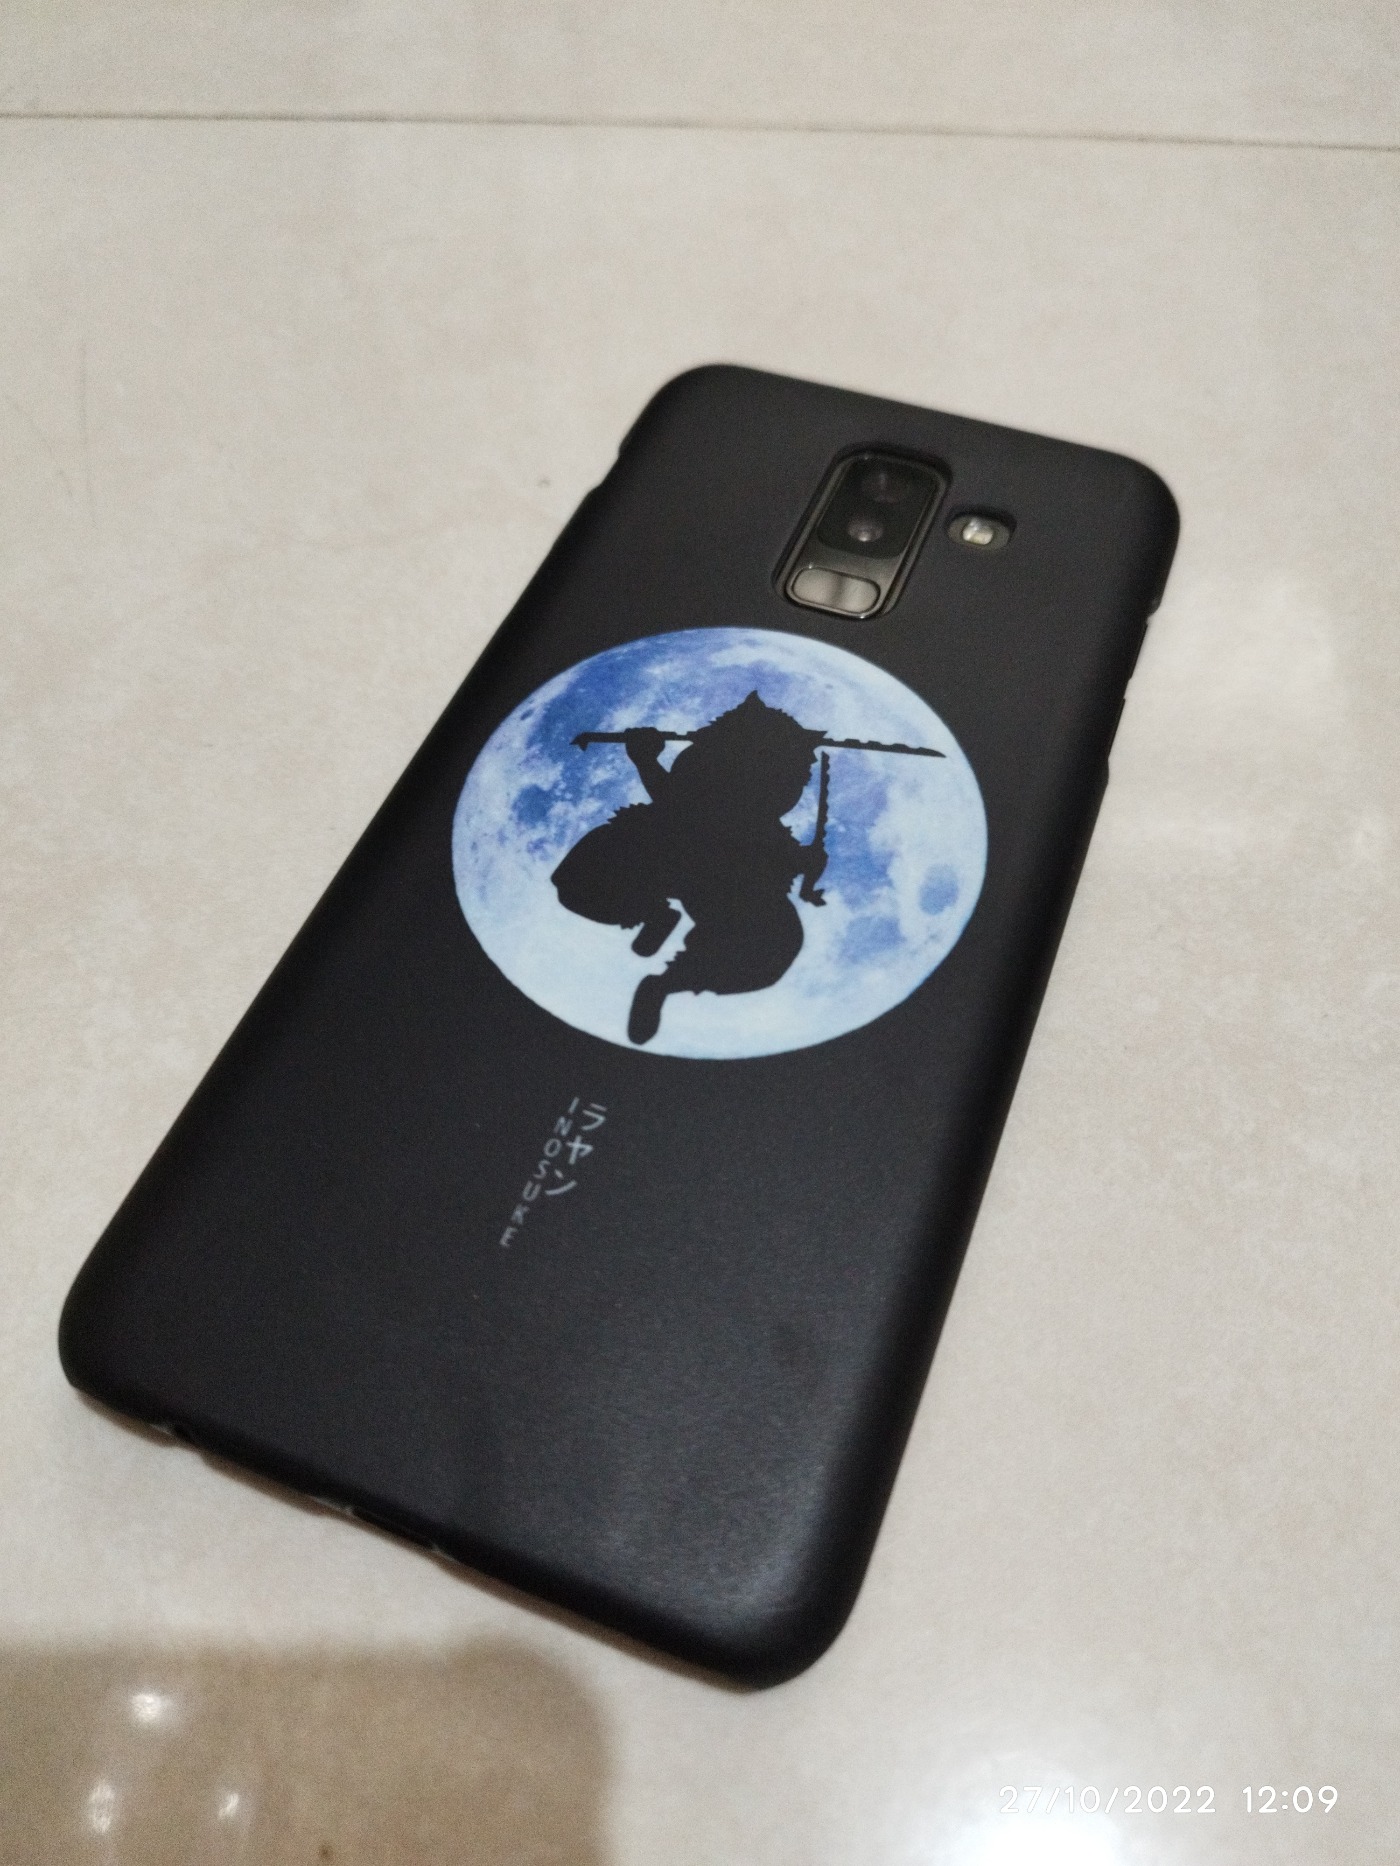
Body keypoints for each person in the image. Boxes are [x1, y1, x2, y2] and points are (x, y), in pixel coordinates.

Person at [551, 692, 829, 1044]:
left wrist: (807, 867)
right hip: (657, 855)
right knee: (580, 881)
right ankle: (654, 915)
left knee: (774, 944)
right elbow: (677, 802)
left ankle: (667, 983)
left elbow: (782, 857)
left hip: (721, 885)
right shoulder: (708, 780)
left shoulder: (762, 825)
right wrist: (645, 759)